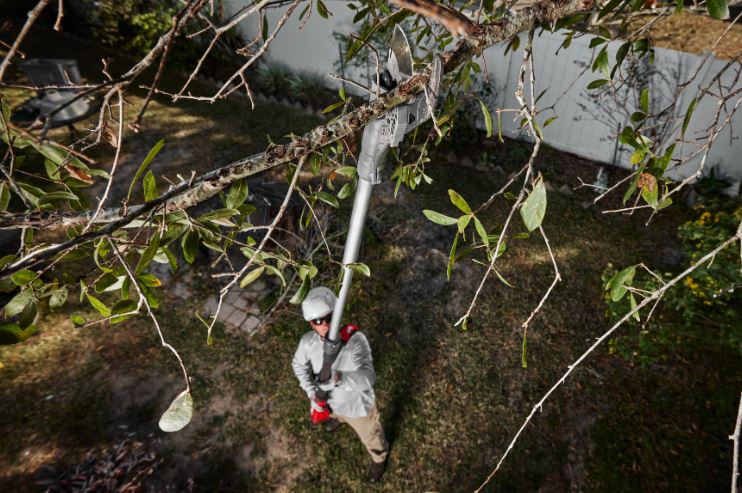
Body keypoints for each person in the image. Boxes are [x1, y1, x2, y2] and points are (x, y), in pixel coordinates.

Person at [291, 286, 389, 482]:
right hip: (331, 403)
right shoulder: (308, 343)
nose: (325, 324)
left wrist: (337, 378)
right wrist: (312, 392)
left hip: (358, 407)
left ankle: (379, 457)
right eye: (319, 320)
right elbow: (298, 365)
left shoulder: (356, 341)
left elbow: (368, 378)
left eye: (330, 316)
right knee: (336, 414)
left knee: (371, 435)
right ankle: (338, 419)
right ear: (311, 323)